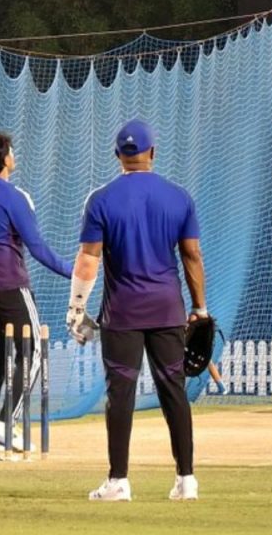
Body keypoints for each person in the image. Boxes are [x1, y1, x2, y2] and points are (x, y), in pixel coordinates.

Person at [66, 119, 205, 502]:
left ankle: (118, 482)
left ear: (118, 156)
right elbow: (191, 255)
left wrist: (76, 307)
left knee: (121, 394)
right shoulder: (179, 197)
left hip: (123, 313)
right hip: (167, 309)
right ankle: (186, 479)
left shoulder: (101, 199)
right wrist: (201, 308)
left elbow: (88, 261)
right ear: (153, 154)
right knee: (173, 391)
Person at [0, 133, 72, 453]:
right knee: (32, 352)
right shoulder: (13, 197)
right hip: (10, 286)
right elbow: (36, 247)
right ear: (5, 158)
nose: (14, 153)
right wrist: (72, 271)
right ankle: (4, 423)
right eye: (11, 150)